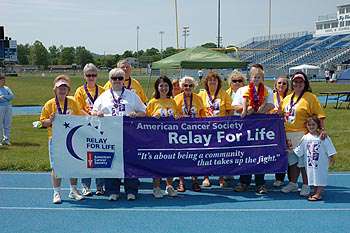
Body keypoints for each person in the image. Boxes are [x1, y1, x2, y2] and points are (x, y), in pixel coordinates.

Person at [93, 68, 146, 201]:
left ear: (124, 80)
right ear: (109, 80)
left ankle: (131, 190)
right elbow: (93, 111)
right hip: (109, 135)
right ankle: (113, 190)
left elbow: (144, 112)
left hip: (129, 135)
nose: (117, 80)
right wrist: (97, 114)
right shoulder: (103, 96)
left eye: (120, 78)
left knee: (131, 163)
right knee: (111, 162)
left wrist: (136, 115)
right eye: (114, 78)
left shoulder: (132, 95)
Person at [40, 75, 85, 204]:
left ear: (68, 90)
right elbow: (42, 122)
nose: (62, 90)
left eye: (65, 88)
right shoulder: (49, 104)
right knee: (56, 167)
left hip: (71, 139)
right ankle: (57, 192)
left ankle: (73, 190)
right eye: (60, 88)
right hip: (55, 139)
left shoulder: (72, 102)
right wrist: (51, 120)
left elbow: (80, 119)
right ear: (55, 89)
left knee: (73, 164)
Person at [281, 71, 326, 197]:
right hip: (288, 134)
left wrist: (322, 129)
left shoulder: (310, 97)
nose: (298, 84)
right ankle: (293, 183)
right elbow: (281, 113)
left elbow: (320, 115)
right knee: (292, 162)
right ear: (292, 83)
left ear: (305, 83)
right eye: (295, 81)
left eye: (301, 81)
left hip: (303, 134)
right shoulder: (288, 98)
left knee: (303, 162)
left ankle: (306, 184)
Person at [233, 64, 274, 195]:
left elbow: (271, 105)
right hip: (245, 128)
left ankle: (260, 183)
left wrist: (259, 109)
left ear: (262, 77)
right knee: (245, 155)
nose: (256, 78)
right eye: (254, 76)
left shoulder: (268, 90)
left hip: (261, 129)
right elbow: (235, 107)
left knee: (260, 155)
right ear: (250, 77)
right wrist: (248, 110)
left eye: (259, 76)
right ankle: (243, 181)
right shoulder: (242, 90)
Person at [74, 63, 105, 196]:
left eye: (93, 75)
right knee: (86, 157)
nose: (91, 77)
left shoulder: (103, 90)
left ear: (97, 76)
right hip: (86, 127)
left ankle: (100, 186)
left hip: (101, 127)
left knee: (100, 156)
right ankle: (86, 186)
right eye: (88, 75)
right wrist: (90, 116)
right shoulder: (80, 91)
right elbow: (78, 108)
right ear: (84, 76)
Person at [198, 71, 233, 188]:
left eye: (215, 80)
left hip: (220, 129)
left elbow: (229, 110)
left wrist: (226, 125)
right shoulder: (201, 95)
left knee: (220, 154)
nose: (212, 82)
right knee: (206, 154)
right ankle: (206, 177)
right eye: (210, 80)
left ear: (218, 82)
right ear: (206, 82)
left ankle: (221, 178)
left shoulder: (224, 94)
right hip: (205, 130)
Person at [146, 76, 179, 198]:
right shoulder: (152, 102)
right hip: (156, 139)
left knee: (170, 162)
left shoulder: (173, 101)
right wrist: (152, 119)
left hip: (171, 138)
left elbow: (177, 116)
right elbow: (144, 121)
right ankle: (156, 187)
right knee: (157, 163)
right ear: (157, 88)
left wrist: (177, 118)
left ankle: (169, 186)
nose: (164, 88)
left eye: (166, 85)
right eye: (161, 86)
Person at [174, 76, 206, 192]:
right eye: (185, 85)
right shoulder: (176, 99)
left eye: (190, 85)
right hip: (181, 134)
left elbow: (203, 115)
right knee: (181, 158)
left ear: (194, 87)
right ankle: (181, 182)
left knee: (195, 157)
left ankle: (195, 181)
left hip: (195, 133)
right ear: (182, 86)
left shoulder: (198, 98)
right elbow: (173, 116)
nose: (188, 87)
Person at [294, 116, 336, 201]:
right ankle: (316, 191)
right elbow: (299, 150)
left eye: (313, 124)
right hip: (310, 161)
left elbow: (329, 147)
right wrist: (291, 149)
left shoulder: (322, 136)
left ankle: (318, 193)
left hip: (321, 161)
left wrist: (331, 157)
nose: (311, 126)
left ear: (318, 125)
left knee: (320, 175)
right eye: (309, 125)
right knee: (313, 176)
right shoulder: (306, 137)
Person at [271, 75, 290, 187]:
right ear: (275, 85)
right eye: (279, 83)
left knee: (286, 153)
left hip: (287, 128)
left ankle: (284, 178)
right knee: (275, 152)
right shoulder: (270, 96)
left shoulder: (291, 97)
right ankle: (277, 177)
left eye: (284, 83)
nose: (281, 85)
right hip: (273, 130)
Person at [0, 73, 14, 146]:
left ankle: (6, 139)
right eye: (2, 80)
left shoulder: (7, 88)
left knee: (7, 124)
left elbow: (12, 96)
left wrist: (4, 97)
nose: (4, 82)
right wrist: (6, 98)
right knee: (0, 124)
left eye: (4, 80)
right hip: (0, 108)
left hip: (8, 107)